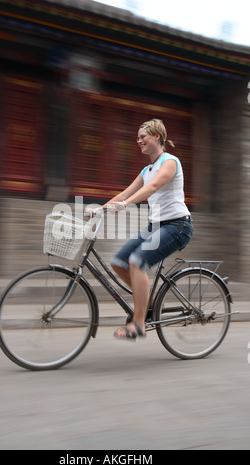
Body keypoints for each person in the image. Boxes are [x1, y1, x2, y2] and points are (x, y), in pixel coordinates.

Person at [104, 118, 193, 340]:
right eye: (137, 138)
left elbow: (153, 187)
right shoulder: (147, 170)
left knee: (136, 262)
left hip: (178, 226)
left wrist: (125, 205)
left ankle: (139, 323)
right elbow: (124, 193)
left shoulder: (170, 162)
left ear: (157, 137)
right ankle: (151, 304)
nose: (139, 141)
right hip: (156, 227)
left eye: (143, 136)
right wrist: (100, 209)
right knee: (119, 263)